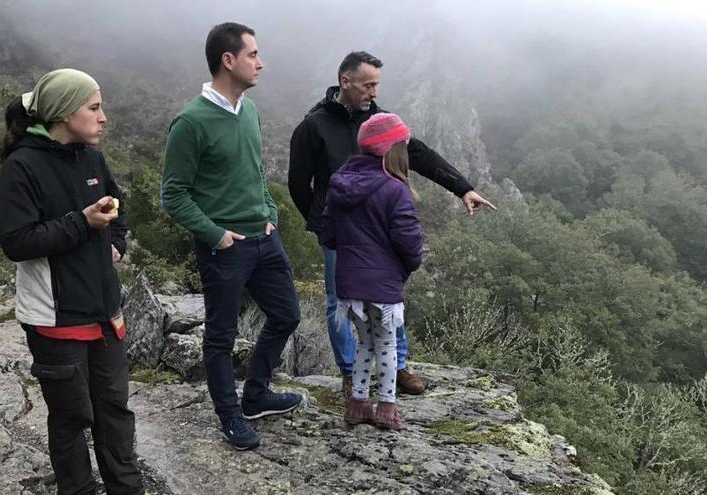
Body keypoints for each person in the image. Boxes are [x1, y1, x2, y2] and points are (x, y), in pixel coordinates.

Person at [288, 51, 496, 397]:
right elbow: (298, 183)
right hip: (340, 234)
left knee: (388, 296)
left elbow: (421, 155)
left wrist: (464, 188)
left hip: (381, 228)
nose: (374, 92)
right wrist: (324, 226)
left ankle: (397, 367)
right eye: (368, 85)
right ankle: (351, 372)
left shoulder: (383, 122)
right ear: (345, 82)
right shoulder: (314, 125)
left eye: (376, 85)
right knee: (338, 302)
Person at [0, 68, 143, 495]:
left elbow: (116, 201)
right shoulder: (22, 167)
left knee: (115, 409)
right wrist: (83, 222)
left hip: (104, 313)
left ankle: (127, 488)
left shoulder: (90, 156)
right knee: (71, 418)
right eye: (94, 108)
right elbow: (17, 241)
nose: (104, 117)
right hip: (55, 319)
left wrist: (116, 239)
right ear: (62, 113)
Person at [162, 22, 302, 451]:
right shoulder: (191, 121)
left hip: (264, 238)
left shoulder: (251, 111)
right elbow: (173, 194)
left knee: (287, 315)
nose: (261, 63)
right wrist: (216, 235)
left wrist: (270, 210)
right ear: (228, 60)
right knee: (220, 336)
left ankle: (256, 395)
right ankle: (229, 416)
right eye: (253, 55)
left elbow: (255, 171)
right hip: (225, 248)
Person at [321, 113, 422, 430]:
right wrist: (406, 266)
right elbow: (409, 243)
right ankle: (387, 408)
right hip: (383, 288)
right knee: (387, 346)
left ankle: (357, 404)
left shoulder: (340, 183)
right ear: (394, 150)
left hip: (349, 286)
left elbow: (328, 234)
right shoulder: (395, 190)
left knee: (365, 344)